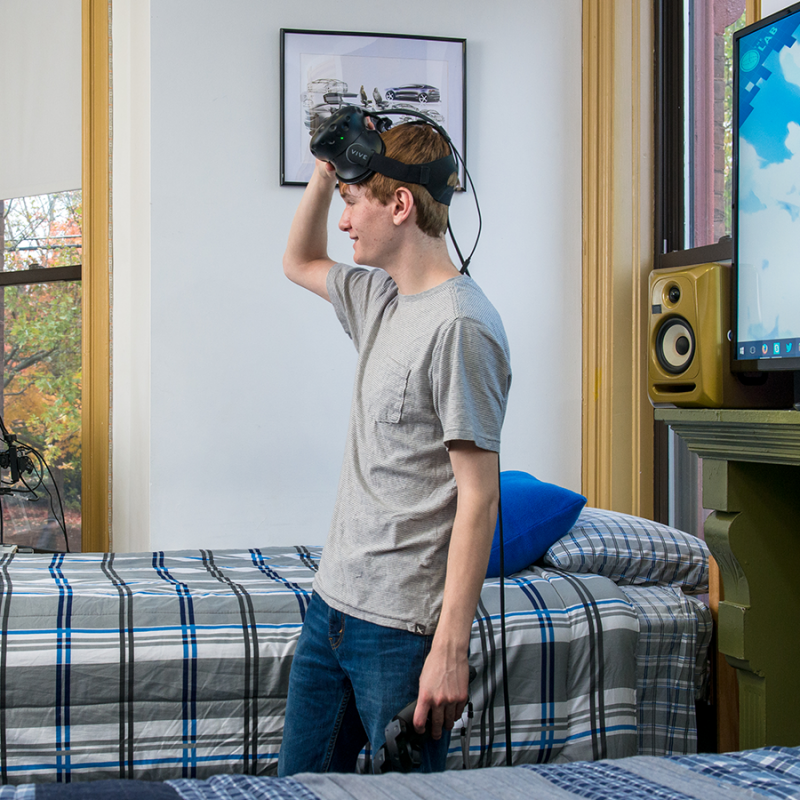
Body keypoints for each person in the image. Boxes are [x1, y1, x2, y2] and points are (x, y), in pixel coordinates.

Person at [277, 119, 511, 776]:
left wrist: (450, 649)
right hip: (333, 611)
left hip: (401, 635)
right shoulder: (379, 298)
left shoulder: (463, 327)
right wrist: (327, 176)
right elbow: (297, 260)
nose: (345, 222)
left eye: (355, 203)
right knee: (296, 791)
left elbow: (479, 497)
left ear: (400, 205)